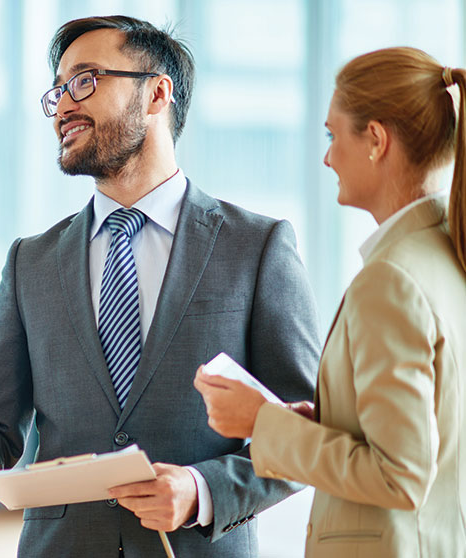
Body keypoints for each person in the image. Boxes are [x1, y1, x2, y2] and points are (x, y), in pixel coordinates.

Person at [0, 15, 320, 557]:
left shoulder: (257, 247)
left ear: (156, 93)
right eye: (57, 91)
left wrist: (202, 490)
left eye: (84, 80)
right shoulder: (30, 261)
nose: (62, 106)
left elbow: (308, 434)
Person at [195, 46, 466, 557]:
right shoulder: (448, 255)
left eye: (332, 134)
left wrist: (261, 423)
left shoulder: (392, 280)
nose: (326, 156)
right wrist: (326, 419)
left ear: (376, 140)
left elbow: (401, 476)